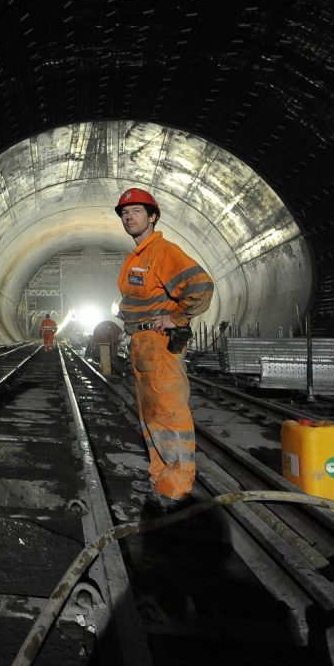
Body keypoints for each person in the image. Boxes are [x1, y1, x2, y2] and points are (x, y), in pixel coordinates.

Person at [114, 187, 213, 511]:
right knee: (151, 418)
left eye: (137, 211)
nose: (129, 216)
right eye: (125, 213)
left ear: (153, 216)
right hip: (142, 345)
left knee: (169, 416)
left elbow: (201, 285)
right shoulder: (138, 256)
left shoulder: (162, 251)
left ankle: (178, 490)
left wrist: (176, 316)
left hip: (158, 346)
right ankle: (162, 480)